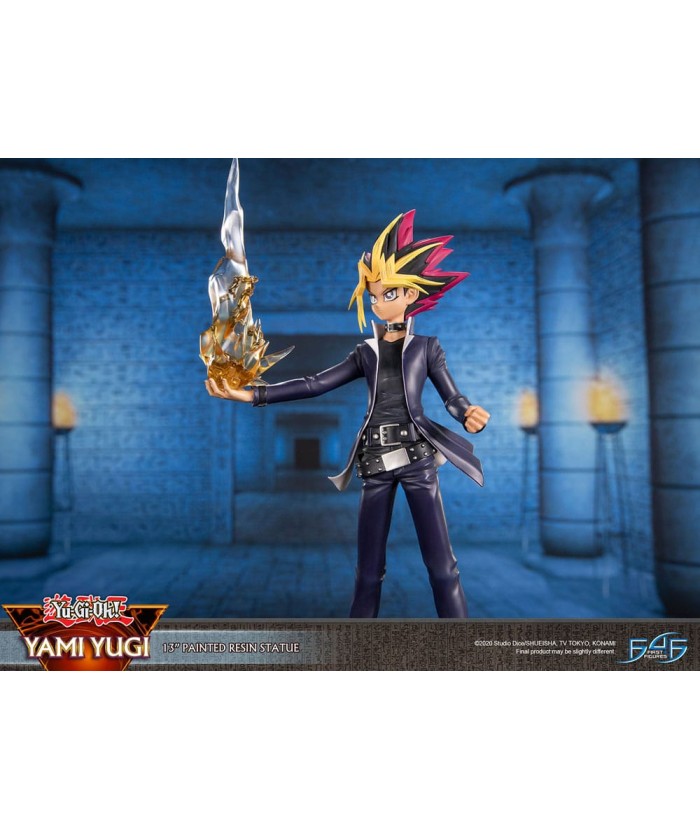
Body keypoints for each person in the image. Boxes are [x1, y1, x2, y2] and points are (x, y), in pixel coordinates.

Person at [205, 210, 490, 617]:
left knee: (443, 568)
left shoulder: (427, 348)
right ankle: (357, 645)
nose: (377, 303)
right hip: (374, 463)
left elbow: (451, 395)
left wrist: (466, 413)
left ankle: (461, 645)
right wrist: (252, 395)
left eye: (387, 294)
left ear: (411, 295)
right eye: (373, 295)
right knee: (368, 572)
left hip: (417, 460)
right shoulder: (364, 353)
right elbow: (315, 383)